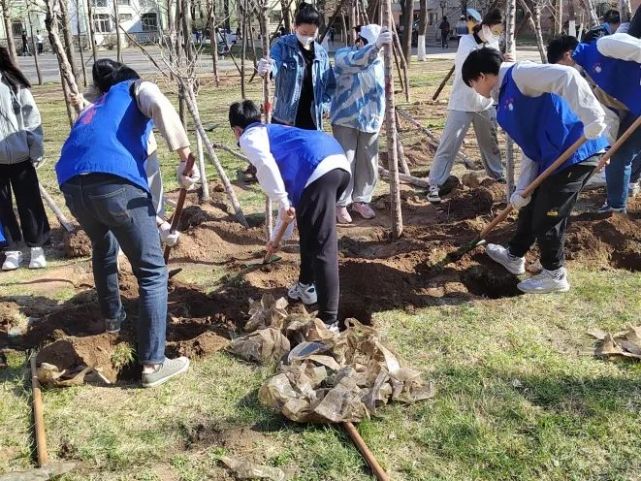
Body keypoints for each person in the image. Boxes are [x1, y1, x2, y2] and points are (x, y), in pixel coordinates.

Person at [56, 59, 195, 387]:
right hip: (113, 182)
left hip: (72, 186)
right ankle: (153, 363)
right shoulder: (136, 88)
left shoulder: (96, 109)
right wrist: (185, 157)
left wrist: (158, 223)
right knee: (151, 272)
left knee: (104, 248)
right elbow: (158, 110)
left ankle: (114, 321)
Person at [462, 48, 608, 294]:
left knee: (547, 216)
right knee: (530, 209)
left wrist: (591, 117)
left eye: (472, 84)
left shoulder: (520, 75)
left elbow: (567, 77)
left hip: (575, 152)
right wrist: (522, 190)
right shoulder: (503, 99)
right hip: (550, 158)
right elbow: (530, 149)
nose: (474, 90)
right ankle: (514, 256)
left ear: (481, 76)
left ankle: (554, 274)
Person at [229, 100, 350, 330]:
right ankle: (306, 286)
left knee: (323, 245)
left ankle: (329, 320)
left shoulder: (249, 137)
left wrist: (283, 202)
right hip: (336, 162)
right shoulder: (275, 134)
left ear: (236, 130)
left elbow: (266, 168)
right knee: (309, 230)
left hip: (318, 169)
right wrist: (277, 239)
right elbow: (288, 211)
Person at [426, 9, 506, 204]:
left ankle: (498, 176)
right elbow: (470, 67)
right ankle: (435, 183)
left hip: (485, 103)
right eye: (494, 30)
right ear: (485, 26)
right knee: (449, 143)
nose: (496, 34)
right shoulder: (466, 42)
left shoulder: (494, 43)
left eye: (499, 31)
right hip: (462, 102)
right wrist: (497, 61)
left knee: (491, 143)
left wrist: (504, 61)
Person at [571, 10, 641, 212]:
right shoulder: (586, 88)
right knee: (618, 155)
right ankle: (617, 205)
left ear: (569, 55)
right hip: (632, 109)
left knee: (622, 156)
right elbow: (607, 118)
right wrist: (605, 150)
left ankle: (617, 203)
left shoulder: (603, 46)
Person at [330, 25, 392, 223]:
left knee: (368, 161)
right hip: (345, 119)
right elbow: (359, 62)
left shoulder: (381, 61)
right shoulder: (344, 56)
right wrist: (375, 47)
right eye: (369, 43)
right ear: (360, 41)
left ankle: (361, 200)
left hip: (371, 119)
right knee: (345, 160)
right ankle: (341, 203)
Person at [0, 47, 48, 271]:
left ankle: (37, 247)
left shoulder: (14, 84)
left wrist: (35, 150)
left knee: (29, 202)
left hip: (20, 155)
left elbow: (32, 118)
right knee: (2, 206)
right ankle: (12, 249)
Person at [257, 3, 335, 130]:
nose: (308, 38)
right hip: (284, 119)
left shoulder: (321, 54)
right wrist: (267, 69)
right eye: (304, 33)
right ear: (295, 27)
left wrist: (325, 105)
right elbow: (274, 63)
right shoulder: (283, 46)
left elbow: (331, 85)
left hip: (312, 121)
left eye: (312, 34)